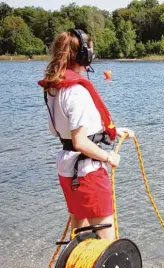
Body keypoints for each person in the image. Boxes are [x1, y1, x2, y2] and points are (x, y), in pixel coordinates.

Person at [38, 29, 134, 239]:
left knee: (78, 235)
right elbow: (80, 141)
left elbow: (61, 130)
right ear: (83, 54)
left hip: (67, 169)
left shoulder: (54, 88)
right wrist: (109, 157)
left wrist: (112, 131)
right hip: (87, 171)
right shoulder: (77, 91)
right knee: (108, 244)